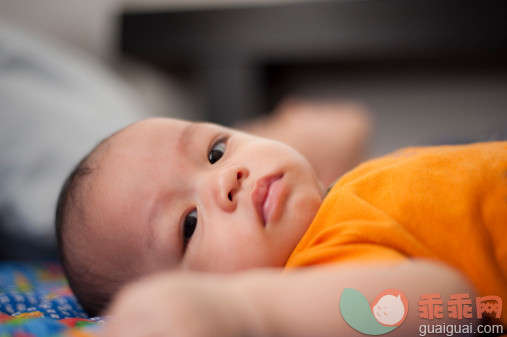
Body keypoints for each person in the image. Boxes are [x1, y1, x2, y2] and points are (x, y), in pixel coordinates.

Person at [55, 117, 506, 337]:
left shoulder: (350, 190)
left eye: (215, 151)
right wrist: (249, 313)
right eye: (189, 225)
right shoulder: (321, 275)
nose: (225, 179)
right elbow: (449, 307)